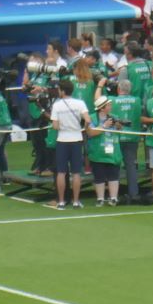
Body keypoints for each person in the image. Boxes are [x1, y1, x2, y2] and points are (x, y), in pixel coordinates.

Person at [50, 78, 92, 209]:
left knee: (61, 172)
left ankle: (61, 201)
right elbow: (88, 119)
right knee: (76, 173)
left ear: (62, 91)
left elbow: (55, 126)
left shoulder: (57, 105)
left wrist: (63, 125)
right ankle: (76, 201)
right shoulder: (79, 103)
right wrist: (83, 127)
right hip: (76, 139)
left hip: (62, 140)